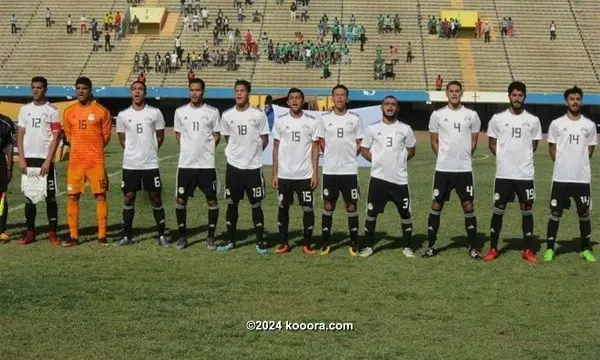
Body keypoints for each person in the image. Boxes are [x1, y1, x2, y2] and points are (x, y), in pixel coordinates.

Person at [483, 81, 542, 263]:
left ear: (525, 97)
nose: (517, 98)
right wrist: (504, 158)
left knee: (527, 210)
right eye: (514, 95)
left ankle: (528, 249)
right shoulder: (498, 118)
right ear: (509, 96)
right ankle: (493, 248)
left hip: (524, 174)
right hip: (504, 174)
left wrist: (522, 159)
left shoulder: (533, 120)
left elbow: (534, 144)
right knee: (498, 209)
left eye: (520, 95)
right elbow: (492, 143)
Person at [425, 80, 482, 259]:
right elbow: (434, 141)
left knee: (468, 205)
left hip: (464, 169)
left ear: (461, 93)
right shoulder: (437, 115)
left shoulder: (472, 115)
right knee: (436, 204)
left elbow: (473, 141)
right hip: (443, 169)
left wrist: (463, 157)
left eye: (457, 91)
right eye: (451, 91)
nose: (454, 94)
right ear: (446, 93)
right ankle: (431, 246)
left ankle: (473, 247)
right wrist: (444, 157)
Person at [544, 86, 597, 262]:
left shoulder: (589, 125)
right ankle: (550, 248)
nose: (575, 102)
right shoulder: (557, 124)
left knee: (583, 213)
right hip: (561, 177)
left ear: (581, 101)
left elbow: (590, 150)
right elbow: (552, 148)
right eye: (572, 99)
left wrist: (578, 163)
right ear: (566, 101)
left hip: (581, 178)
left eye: (578, 99)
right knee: (555, 212)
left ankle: (585, 249)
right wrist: (563, 164)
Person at [359, 96, 416, 257]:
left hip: (399, 179)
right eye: (387, 104)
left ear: (397, 108)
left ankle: (407, 246)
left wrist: (400, 162)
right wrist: (376, 160)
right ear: (381, 108)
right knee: (371, 213)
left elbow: (411, 150)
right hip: (378, 179)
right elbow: (364, 149)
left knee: (405, 213)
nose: (390, 107)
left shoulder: (405, 129)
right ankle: (369, 246)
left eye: (393, 105)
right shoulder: (372, 128)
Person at [218, 80, 269, 254]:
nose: (239, 94)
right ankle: (230, 240)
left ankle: (260, 240)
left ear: (248, 93)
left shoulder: (258, 114)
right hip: (234, 167)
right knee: (232, 203)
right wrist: (237, 154)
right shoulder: (226, 115)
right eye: (236, 91)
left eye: (242, 91)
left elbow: (265, 139)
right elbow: (227, 138)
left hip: (253, 167)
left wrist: (252, 154)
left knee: (256, 204)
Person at [116, 81, 168, 247]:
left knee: (155, 197)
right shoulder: (123, 115)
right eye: (134, 89)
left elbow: (160, 136)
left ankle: (161, 235)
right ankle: (127, 235)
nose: (137, 92)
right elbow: (122, 139)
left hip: (150, 163)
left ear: (145, 92)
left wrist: (150, 151)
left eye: (140, 89)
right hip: (130, 164)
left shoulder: (155, 113)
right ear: (131, 93)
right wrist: (133, 152)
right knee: (129, 197)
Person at [60, 77, 112, 247]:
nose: (80, 91)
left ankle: (102, 236)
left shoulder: (102, 111)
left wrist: (93, 149)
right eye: (78, 88)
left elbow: (105, 137)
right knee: (72, 197)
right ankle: (74, 236)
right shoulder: (69, 112)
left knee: (100, 196)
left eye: (84, 88)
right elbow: (69, 136)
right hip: (75, 163)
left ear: (90, 90)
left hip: (95, 162)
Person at [173, 79, 221, 250]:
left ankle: (211, 236)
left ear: (203, 92)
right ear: (188, 92)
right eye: (191, 90)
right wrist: (188, 149)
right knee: (181, 199)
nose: (194, 93)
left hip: (206, 165)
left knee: (212, 200)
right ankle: (182, 236)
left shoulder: (213, 112)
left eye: (197, 90)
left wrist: (206, 150)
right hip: (186, 165)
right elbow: (178, 134)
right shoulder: (180, 112)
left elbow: (217, 135)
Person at [317, 84, 364, 256]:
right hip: (330, 169)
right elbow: (321, 140)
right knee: (328, 204)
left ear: (347, 98)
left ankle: (354, 242)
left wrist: (352, 155)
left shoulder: (355, 118)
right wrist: (328, 154)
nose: (339, 98)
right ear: (332, 97)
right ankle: (325, 242)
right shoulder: (324, 118)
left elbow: (360, 141)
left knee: (351, 205)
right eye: (337, 95)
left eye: (342, 95)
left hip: (349, 170)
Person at [272, 88, 319, 255]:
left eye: (298, 98)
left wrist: (315, 173)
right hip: (285, 175)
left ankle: (307, 243)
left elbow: (315, 148)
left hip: (305, 175)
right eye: (291, 98)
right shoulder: (281, 121)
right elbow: (276, 147)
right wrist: (274, 174)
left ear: (303, 100)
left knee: (307, 208)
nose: (294, 101)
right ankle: (284, 243)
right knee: (283, 208)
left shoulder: (311, 121)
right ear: (287, 102)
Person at [17, 77, 62, 245]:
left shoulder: (52, 110)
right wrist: (21, 158)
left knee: (50, 197)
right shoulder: (24, 110)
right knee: (29, 197)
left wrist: (48, 160)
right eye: (33, 87)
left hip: (45, 159)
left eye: (39, 87)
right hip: (28, 159)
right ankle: (30, 232)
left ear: (45, 90)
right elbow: (20, 135)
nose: (36, 90)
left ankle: (52, 233)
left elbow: (57, 136)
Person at [0, 113, 16, 242]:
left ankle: (1, 230)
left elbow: (9, 148)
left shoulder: (5, 122)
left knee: (1, 197)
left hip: (0, 162)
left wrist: (9, 168)